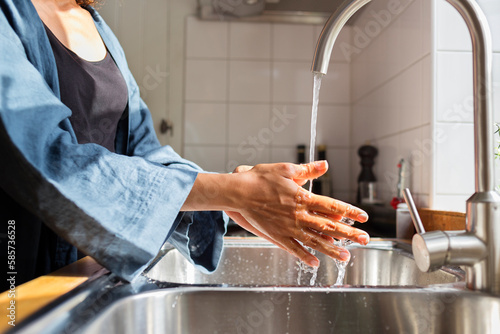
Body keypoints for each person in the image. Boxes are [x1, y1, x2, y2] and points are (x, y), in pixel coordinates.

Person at [0, 0, 369, 291]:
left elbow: (144, 151)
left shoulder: (96, 26)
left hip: (86, 277)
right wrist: (232, 192)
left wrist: (228, 192)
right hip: (19, 278)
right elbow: (43, 154)